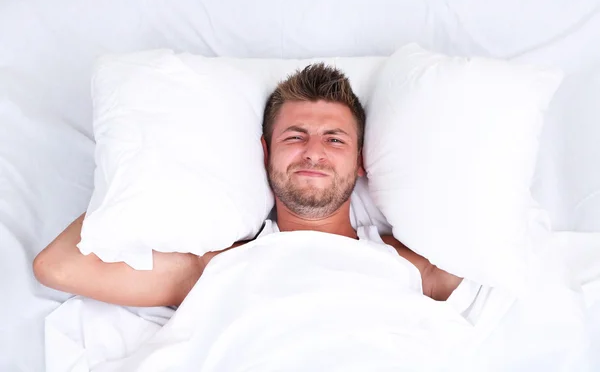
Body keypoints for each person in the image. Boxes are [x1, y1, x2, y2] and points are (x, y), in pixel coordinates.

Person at [33, 63, 462, 308]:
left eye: (335, 139)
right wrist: (130, 186)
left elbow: (505, 264)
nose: (314, 151)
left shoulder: (413, 267)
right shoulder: (215, 268)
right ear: (265, 152)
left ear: (363, 161)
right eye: (295, 137)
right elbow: (58, 266)